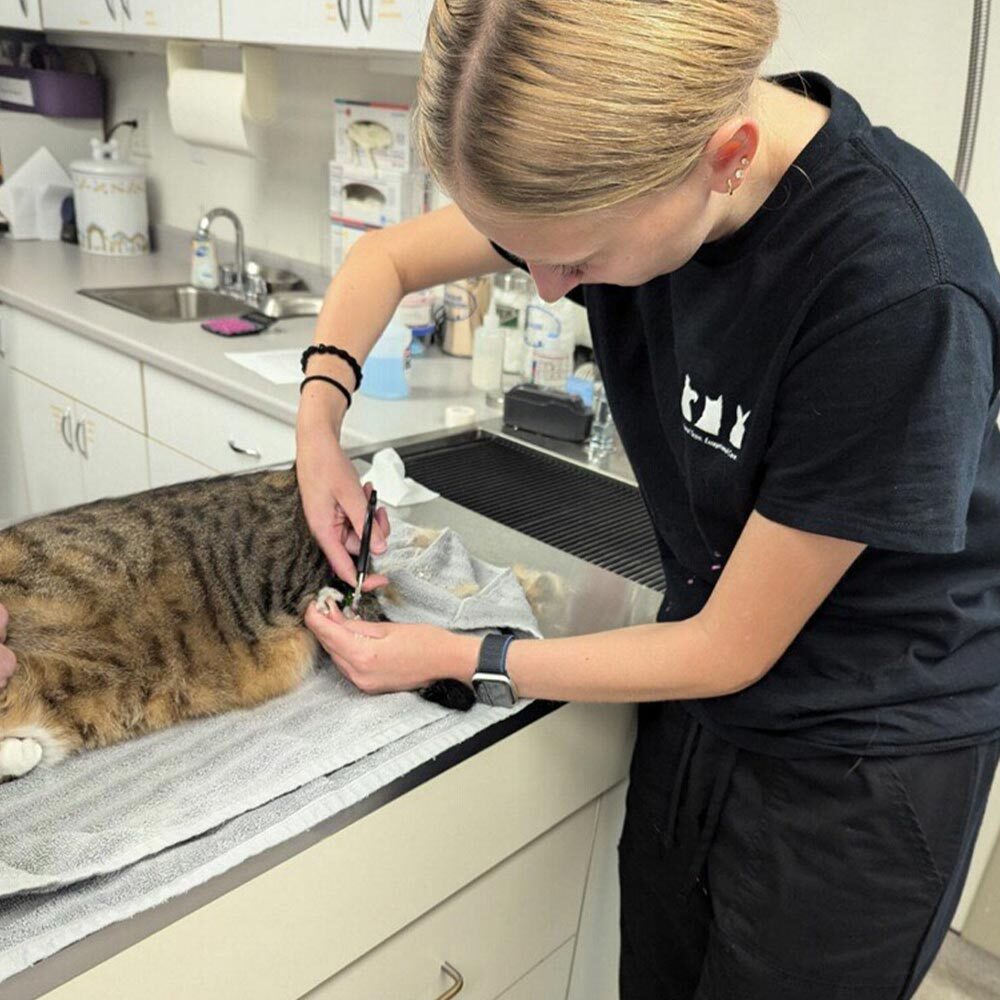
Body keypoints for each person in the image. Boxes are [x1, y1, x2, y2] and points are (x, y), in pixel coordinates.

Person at [4, 1, 999, 996]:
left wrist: (452, 656)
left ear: (726, 156)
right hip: (700, 694)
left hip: (862, 754)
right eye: (526, 252)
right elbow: (382, 259)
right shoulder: (631, 186)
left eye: (580, 259)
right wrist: (317, 436)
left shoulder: (897, 290)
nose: (557, 289)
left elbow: (736, 644)